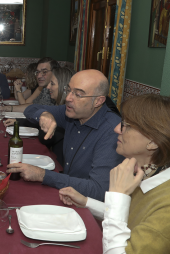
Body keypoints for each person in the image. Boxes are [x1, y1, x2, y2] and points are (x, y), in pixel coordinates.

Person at [59, 94, 170, 253]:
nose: (116, 129)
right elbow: (128, 216)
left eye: (126, 125)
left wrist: (118, 194)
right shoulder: (150, 171)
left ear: (153, 142)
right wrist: (87, 202)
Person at [7, 70, 123, 201]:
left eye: (78, 94)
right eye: (68, 90)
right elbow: (30, 109)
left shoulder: (113, 131)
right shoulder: (72, 111)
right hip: (66, 192)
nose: (68, 98)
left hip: (89, 209)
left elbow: (99, 190)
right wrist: (44, 115)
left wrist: (43, 175)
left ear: (98, 101)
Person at [5, 67, 74, 164]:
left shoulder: (68, 114)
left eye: (52, 83)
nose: (48, 87)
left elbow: (44, 139)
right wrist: (19, 121)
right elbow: (31, 109)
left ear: (64, 87)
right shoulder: (59, 107)